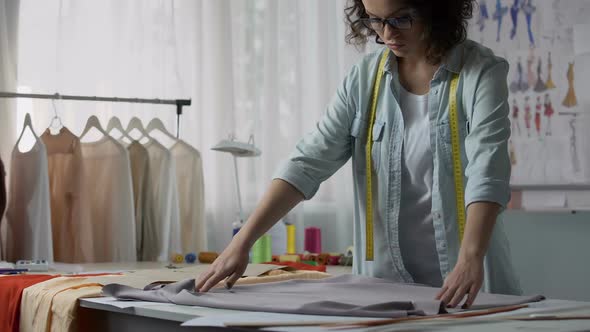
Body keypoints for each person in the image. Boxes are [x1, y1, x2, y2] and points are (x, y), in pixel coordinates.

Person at [196, 0, 521, 309]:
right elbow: (308, 162)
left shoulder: (481, 73)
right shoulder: (364, 79)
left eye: (401, 18)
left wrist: (470, 257)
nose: (387, 33)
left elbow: (487, 172)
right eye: (375, 19)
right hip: (386, 291)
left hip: (470, 285)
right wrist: (242, 243)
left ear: (435, 8)